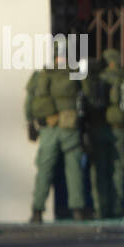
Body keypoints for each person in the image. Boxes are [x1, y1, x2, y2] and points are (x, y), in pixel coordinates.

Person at [25, 52, 87, 222]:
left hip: (49, 129)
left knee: (44, 170)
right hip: (70, 128)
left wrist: (30, 123)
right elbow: (86, 99)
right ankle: (77, 209)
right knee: (74, 170)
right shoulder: (75, 74)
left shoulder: (42, 75)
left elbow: (29, 101)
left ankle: (37, 211)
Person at [86, 48, 124, 219]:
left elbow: (88, 103)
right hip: (118, 130)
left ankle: (100, 210)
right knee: (118, 170)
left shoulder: (98, 79)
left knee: (99, 171)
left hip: (98, 130)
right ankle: (116, 209)